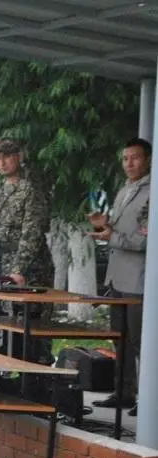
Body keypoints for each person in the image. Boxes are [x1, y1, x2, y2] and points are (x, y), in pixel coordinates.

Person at [0, 137, 55, 399]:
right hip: (4, 269)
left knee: (35, 329)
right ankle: (13, 382)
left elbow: (32, 232)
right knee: (8, 328)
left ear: (19, 156)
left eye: (8, 156)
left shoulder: (30, 189)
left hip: (30, 271)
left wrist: (19, 268)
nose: (2, 162)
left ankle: (40, 386)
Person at [87, 137, 151, 416]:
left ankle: (148, 399)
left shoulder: (152, 190)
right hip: (117, 277)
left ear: (148, 159)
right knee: (120, 339)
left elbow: (147, 240)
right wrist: (105, 227)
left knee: (141, 341)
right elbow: (122, 233)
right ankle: (124, 392)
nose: (129, 164)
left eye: (135, 158)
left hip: (138, 279)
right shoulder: (125, 189)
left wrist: (113, 236)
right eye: (125, 159)